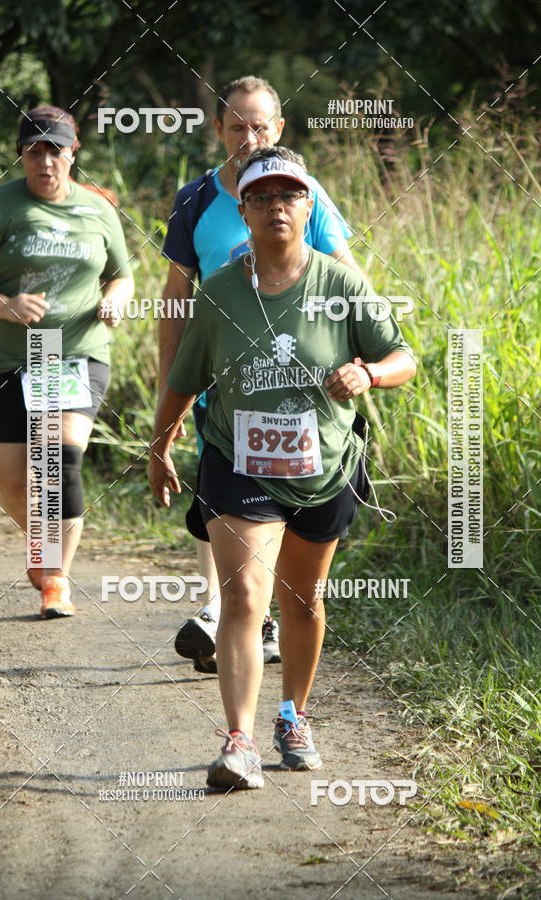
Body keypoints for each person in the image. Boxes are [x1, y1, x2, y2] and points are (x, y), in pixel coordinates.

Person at [149, 147, 416, 789]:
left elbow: (405, 358)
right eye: (262, 196)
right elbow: (184, 380)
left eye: (289, 195)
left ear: (309, 207)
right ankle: (237, 742)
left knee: (304, 600)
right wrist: (160, 447)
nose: (276, 206)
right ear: (243, 210)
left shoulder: (342, 284)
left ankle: (293, 714)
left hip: (322, 467)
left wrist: (370, 372)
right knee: (244, 594)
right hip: (237, 464)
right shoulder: (217, 293)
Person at [161, 74, 365, 674]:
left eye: (261, 125)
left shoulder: (302, 192)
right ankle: (231, 612)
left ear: (279, 128)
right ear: (218, 130)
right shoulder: (194, 199)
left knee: (283, 500)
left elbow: (348, 277)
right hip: (224, 388)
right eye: (238, 126)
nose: (250, 136)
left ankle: (250, 618)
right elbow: (176, 298)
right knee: (223, 497)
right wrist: (170, 388)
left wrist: (357, 364)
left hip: (303, 389)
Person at [0, 106, 134, 618]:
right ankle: (43, 542)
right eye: (35, 151)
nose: (46, 161)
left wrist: (118, 299)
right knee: (12, 480)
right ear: (23, 156)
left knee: (59, 462)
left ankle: (55, 575)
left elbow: (121, 274)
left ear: (73, 153)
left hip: (67, 351)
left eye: (55, 150)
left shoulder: (97, 209)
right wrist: (7, 306)